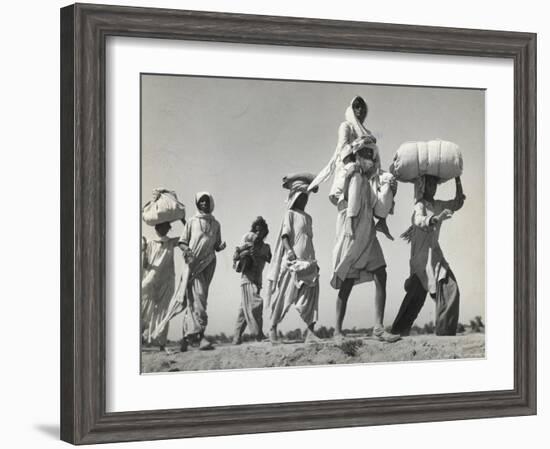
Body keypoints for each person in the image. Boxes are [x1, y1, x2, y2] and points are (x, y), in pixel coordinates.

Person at [331, 141, 401, 343]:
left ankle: (378, 327)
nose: (369, 157)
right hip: (354, 231)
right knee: (347, 279)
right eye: (365, 153)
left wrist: (390, 190)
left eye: (371, 154)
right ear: (357, 155)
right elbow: (352, 203)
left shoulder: (366, 180)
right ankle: (337, 331)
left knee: (381, 272)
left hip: (367, 231)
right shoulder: (355, 175)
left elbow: (377, 206)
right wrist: (351, 228)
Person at [308, 95, 395, 240]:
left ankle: (382, 220)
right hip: (350, 168)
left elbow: (375, 158)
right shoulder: (346, 126)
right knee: (355, 174)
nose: (360, 109)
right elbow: (343, 150)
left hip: (369, 172)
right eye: (356, 106)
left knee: (390, 179)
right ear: (351, 108)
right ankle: (349, 219)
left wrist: (376, 170)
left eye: (362, 107)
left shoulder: (368, 133)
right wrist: (361, 144)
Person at [391, 175, 466, 336]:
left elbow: (457, 203)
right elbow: (419, 220)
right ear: (423, 186)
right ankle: (397, 332)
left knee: (451, 289)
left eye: (434, 184)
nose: (433, 187)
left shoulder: (438, 204)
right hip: (421, 260)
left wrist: (457, 180)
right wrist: (437, 218)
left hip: (435, 257)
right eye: (429, 184)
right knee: (414, 299)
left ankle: (445, 333)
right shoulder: (419, 205)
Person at [267, 173, 321, 345]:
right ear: (295, 197)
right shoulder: (289, 214)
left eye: (306, 196)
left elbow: (307, 239)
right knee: (283, 297)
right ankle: (273, 329)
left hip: (309, 262)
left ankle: (310, 332)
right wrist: (289, 251)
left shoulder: (308, 217)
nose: (304, 200)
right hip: (293, 262)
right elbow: (285, 236)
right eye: (301, 196)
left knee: (310, 298)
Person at [178, 192, 226, 351]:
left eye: (206, 201)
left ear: (210, 203)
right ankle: (198, 336)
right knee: (197, 297)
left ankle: (187, 336)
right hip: (193, 263)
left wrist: (220, 247)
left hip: (209, 263)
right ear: (197, 204)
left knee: (200, 298)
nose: (204, 204)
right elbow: (182, 242)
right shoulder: (191, 222)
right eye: (201, 201)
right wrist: (189, 253)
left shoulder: (216, 224)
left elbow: (216, 245)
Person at [141, 219, 185, 354]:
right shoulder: (148, 243)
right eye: (162, 226)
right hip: (150, 280)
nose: (165, 228)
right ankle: (137, 339)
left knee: (163, 311)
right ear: (157, 227)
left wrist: (183, 220)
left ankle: (161, 343)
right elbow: (144, 265)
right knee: (144, 310)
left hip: (167, 280)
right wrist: (143, 250)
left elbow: (187, 236)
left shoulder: (170, 242)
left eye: (167, 226)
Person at [232, 216, 272, 344]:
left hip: (257, 281)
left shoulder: (266, 247)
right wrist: (244, 254)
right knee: (256, 304)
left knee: (244, 310)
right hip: (247, 279)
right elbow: (235, 256)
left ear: (265, 232)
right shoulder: (247, 244)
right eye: (256, 230)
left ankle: (236, 337)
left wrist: (262, 256)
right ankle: (258, 334)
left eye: (261, 231)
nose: (259, 233)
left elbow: (272, 260)